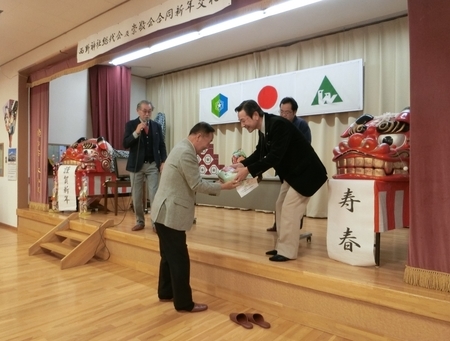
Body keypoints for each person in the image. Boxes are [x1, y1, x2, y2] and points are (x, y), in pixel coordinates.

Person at [151, 122, 239, 312]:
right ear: (198, 137)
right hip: (170, 213)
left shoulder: (181, 147)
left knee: (168, 256)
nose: (206, 148)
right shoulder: (187, 152)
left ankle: (166, 292)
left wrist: (218, 181)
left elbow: (193, 182)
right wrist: (223, 186)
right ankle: (184, 304)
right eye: (207, 143)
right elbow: (196, 185)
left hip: (163, 211)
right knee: (179, 259)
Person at [231, 99, 327, 262]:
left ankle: (288, 251)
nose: (243, 125)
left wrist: (247, 170)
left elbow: (274, 157)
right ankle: (282, 246)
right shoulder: (265, 127)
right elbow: (260, 153)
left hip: (306, 174)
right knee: (280, 205)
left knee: (290, 208)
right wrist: (242, 164)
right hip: (293, 174)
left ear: (255, 115)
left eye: (243, 120)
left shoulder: (278, 125)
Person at [267, 97, 312, 232]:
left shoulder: (302, 125)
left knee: (291, 203)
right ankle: (280, 226)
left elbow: (305, 146)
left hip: (298, 170)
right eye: (282, 112)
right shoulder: (277, 125)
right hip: (284, 169)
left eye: (287, 112)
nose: (284, 115)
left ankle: (293, 226)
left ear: (294, 112)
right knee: (281, 202)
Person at [123, 100, 167, 231]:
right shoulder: (131, 125)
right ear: (138, 111)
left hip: (153, 164)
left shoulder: (156, 126)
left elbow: (161, 145)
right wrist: (136, 133)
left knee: (154, 195)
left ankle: (155, 223)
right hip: (136, 166)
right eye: (144, 111)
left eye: (149, 111)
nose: (147, 114)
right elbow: (125, 143)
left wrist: (163, 161)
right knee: (136, 196)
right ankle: (140, 221)